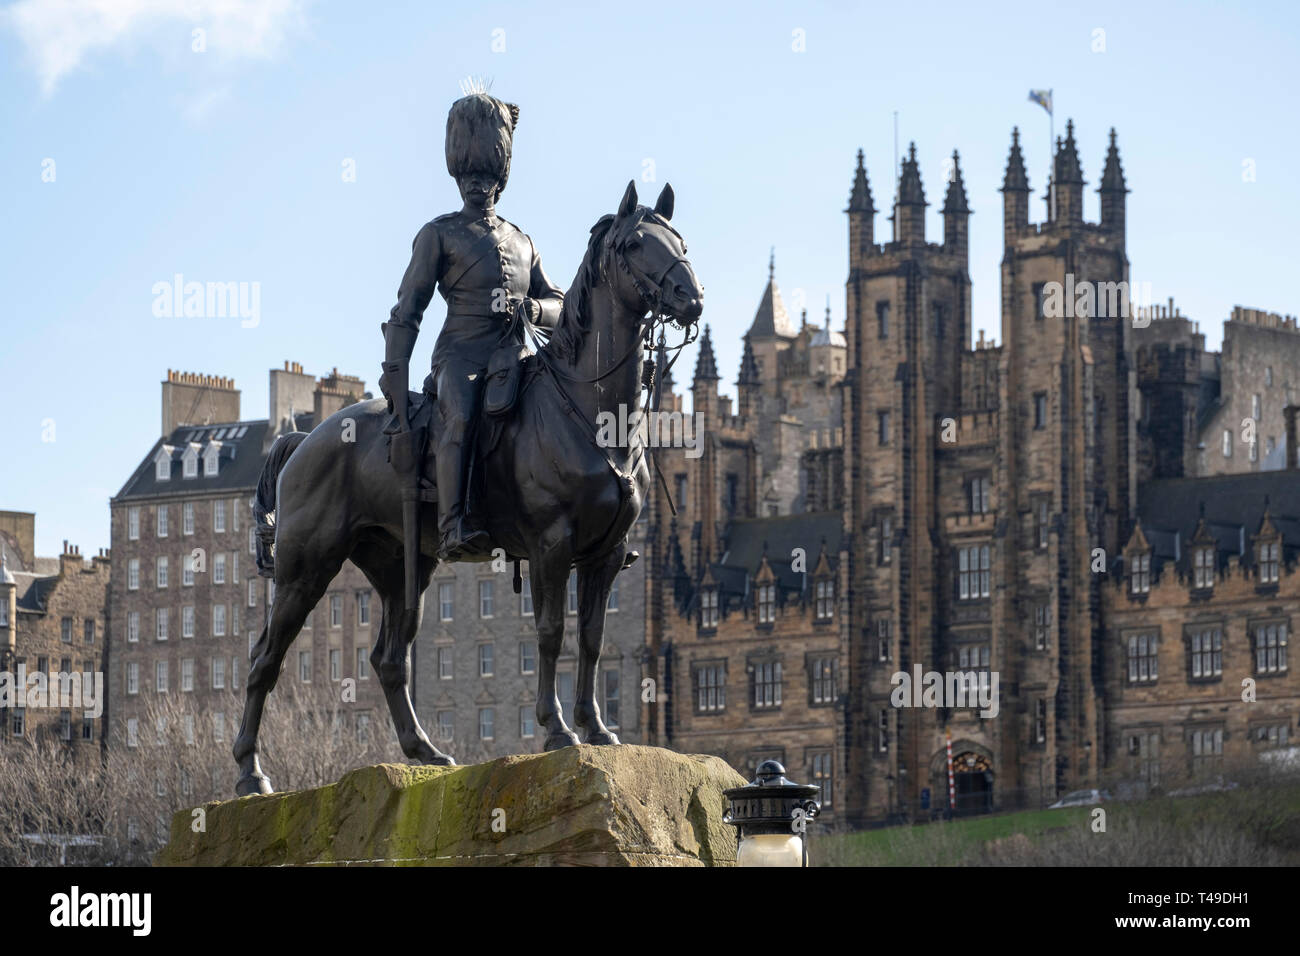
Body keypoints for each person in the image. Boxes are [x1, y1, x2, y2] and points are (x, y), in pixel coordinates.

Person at [380, 92, 563, 561]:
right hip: (459, 356)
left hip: (514, 358)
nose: (475, 186)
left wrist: (534, 312)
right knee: (460, 414)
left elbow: (559, 304)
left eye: (483, 175)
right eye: (467, 176)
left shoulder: (523, 241)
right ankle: (453, 524)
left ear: (499, 178)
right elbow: (408, 309)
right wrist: (395, 377)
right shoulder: (438, 234)